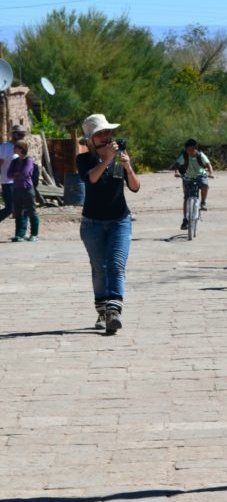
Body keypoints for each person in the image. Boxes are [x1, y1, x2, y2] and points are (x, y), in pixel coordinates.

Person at [76, 114, 141, 336]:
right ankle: (102, 311)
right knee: (99, 268)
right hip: (92, 223)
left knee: (116, 265)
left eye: (107, 132)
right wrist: (106, 160)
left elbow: (135, 187)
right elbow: (91, 179)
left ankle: (114, 313)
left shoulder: (120, 158)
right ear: (91, 140)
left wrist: (128, 166)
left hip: (119, 221)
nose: (105, 137)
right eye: (100, 134)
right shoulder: (84, 160)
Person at [173, 138, 214, 230]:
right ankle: (185, 220)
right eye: (188, 150)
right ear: (186, 149)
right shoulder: (184, 155)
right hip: (188, 177)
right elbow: (177, 164)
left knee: (205, 185)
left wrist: (211, 173)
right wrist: (176, 172)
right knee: (186, 198)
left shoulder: (201, 155)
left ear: (196, 149)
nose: (190, 152)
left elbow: (208, 164)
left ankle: (203, 202)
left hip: (200, 175)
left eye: (192, 150)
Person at [8, 140, 39, 242]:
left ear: (21, 149)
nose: (14, 149)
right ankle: (19, 234)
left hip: (27, 189)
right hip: (17, 189)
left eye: (16, 147)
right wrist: (16, 174)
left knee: (31, 211)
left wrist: (16, 174)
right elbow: (8, 174)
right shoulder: (14, 161)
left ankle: (34, 234)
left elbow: (25, 173)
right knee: (18, 212)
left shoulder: (28, 160)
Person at [0, 124, 28, 229]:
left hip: (20, 183)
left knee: (22, 208)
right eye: (19, 134)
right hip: (8, 183)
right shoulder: (5, 148)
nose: (21, 136)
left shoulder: (22, 148)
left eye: (23, 134)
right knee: (10, 208)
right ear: (13, 134)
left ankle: (20, 233)